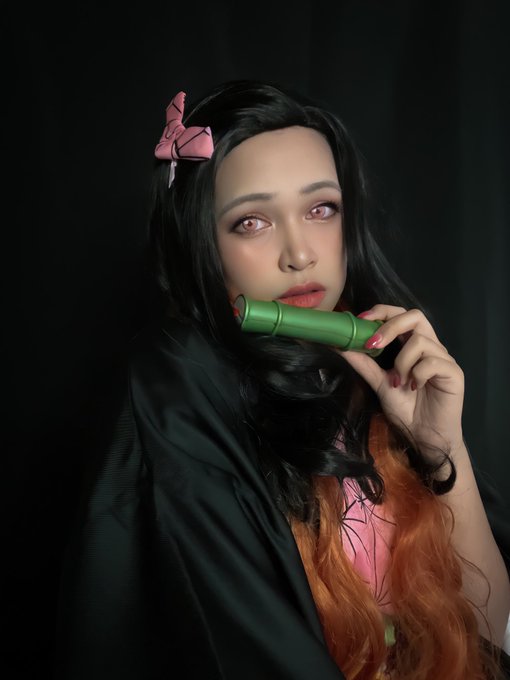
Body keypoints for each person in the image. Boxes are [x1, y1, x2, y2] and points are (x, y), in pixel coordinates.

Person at [54, 79, 510, 679]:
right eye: (252, 222)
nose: (300, 253)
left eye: (321, 209)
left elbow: (486, 636)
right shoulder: (180, 389)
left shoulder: (381, 378)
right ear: (202, 243)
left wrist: (443, 449)